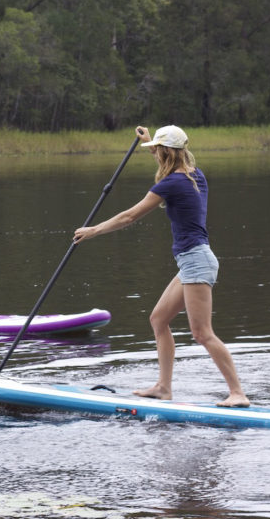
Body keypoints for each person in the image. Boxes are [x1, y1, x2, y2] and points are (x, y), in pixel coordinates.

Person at [72, 125, 250, 407]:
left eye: (156, 151)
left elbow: (129, 217)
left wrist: (93, 231)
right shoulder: (195, 175)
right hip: (194, 260)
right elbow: (173, 161)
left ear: (165, 152)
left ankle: (238, 393)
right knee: (158, 319)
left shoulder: (170, 185)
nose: (154, 155)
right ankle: (163, 387)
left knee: (202, 333)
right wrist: (150, 142)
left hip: (195, 261)